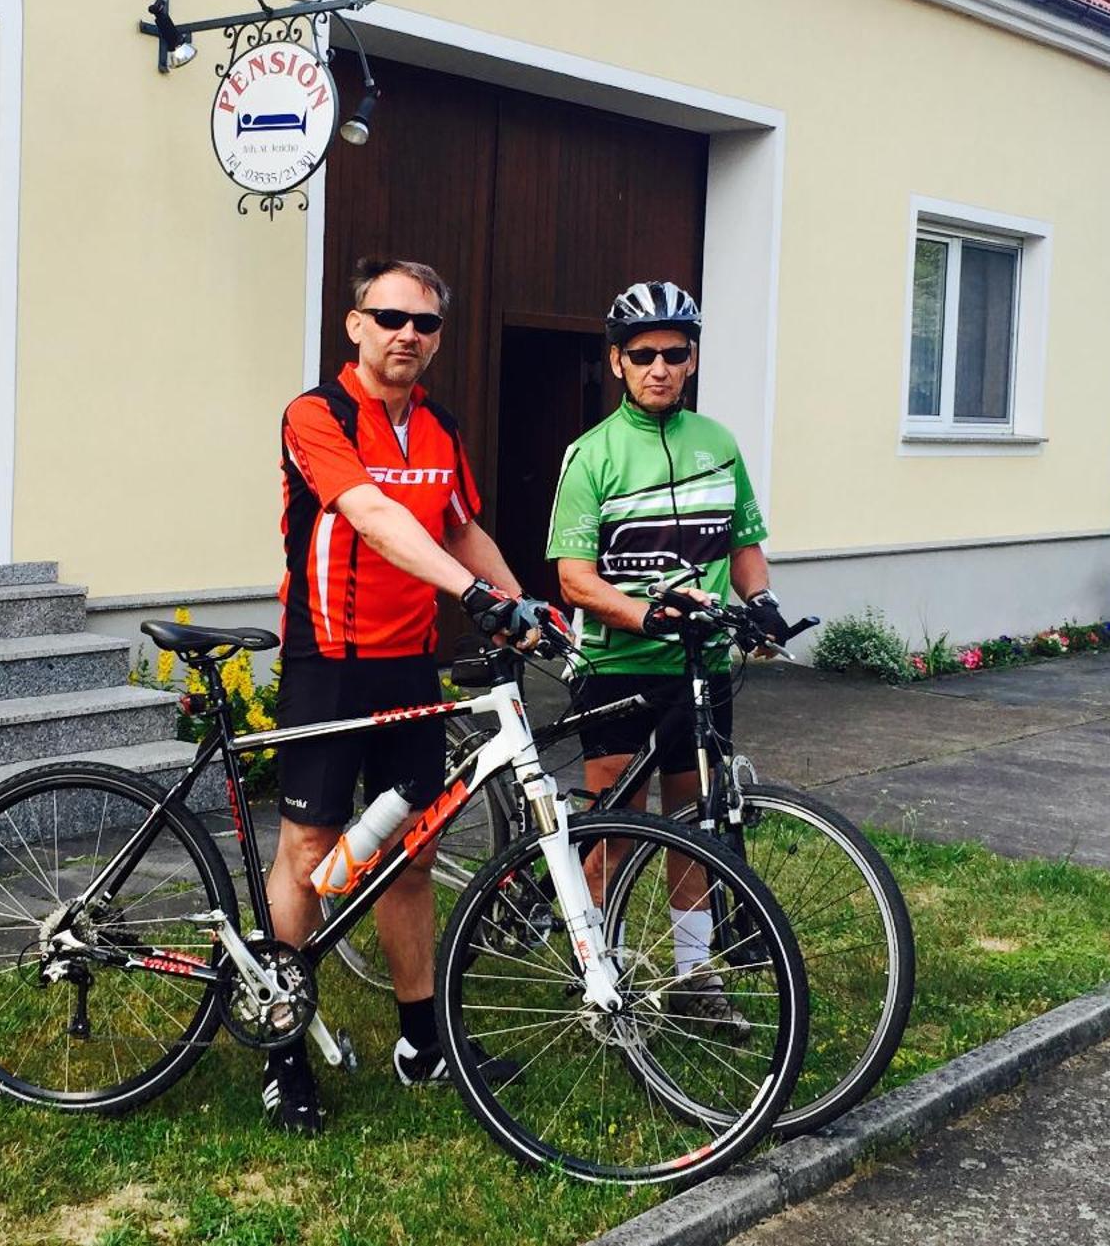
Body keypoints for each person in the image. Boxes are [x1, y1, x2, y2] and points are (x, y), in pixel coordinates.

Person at [265, 256, 551, 1134]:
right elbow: (371, 514)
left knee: (413, 855)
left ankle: (422, 1042)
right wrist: (474, 599)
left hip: (408, 666)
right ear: (354, 324)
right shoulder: (316, 414)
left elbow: (459, 525)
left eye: (424, 324)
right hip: (328, 661)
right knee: (312, 842)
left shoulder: (438, 426)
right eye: (390, 318)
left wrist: (521, 603)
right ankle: (283, 1053)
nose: (407, 336)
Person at [545, 280, 792, 1027]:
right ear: (617, 362)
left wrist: (759, 601)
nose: (660, 367)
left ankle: (696, 977)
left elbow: (744, 545)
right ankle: (600, 971)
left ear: (691, 360)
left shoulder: (718, 443)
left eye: (674, 353)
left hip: (701, 669)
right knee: (616, 829)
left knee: (694, 824)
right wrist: (646, 615)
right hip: (619, 670)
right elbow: (573, 578)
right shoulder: (592, 455)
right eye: (643, 354)